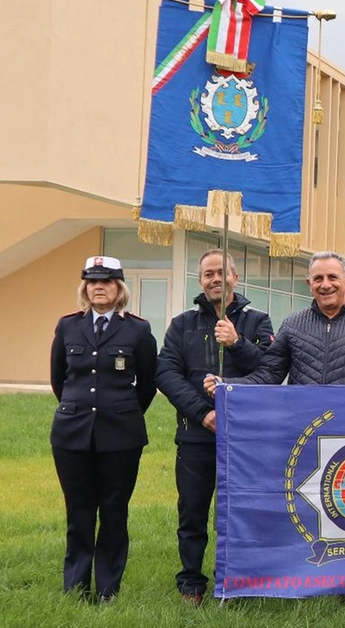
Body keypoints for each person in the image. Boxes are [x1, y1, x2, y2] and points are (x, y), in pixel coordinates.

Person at [156, 249, 274, 606]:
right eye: (208, 274)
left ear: (235, 277)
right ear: (200, 281)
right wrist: (203, 413)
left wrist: (237, 343)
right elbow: (166, 373)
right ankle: (191, 583)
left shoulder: (258, 321)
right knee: (192, 511)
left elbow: (271, 372)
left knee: (238, 512)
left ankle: (238, 580)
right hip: (196, 435)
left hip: (244, 437)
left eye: (221, 272)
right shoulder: (182, 324)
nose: (215, 279)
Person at [48, 256, 158, 603]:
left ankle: (108, 589)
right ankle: (76, 589)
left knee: (113, 511)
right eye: (93, 282)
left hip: (121, 436)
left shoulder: (137, 330)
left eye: (107, 281)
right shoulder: (67, 327)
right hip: (72, 433)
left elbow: (147, 384)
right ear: (85, 288)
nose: (99, 287)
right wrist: (79, 408)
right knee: (78, 511)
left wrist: (122, 412)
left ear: (119, 288)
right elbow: (58, 379)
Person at [205, 251, 345, 391]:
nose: (325, 285)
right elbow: (269, 375)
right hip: (303, 428)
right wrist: (227, 385)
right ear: (310, 284)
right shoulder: (292, 325)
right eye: (318, 279)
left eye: (332, 277)